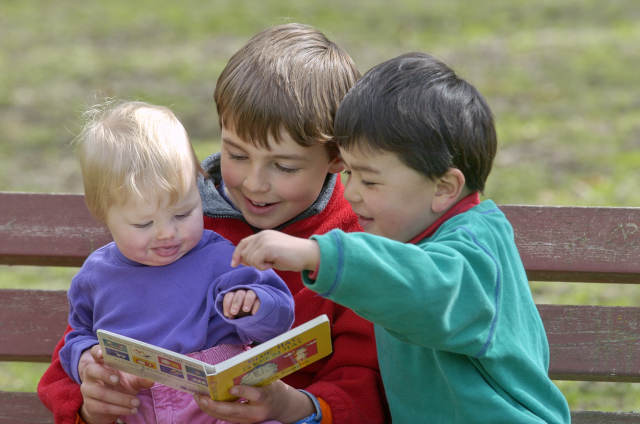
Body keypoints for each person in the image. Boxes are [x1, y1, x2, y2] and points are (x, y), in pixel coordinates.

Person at [37, 23, 389, 424]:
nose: (255, 183)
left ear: (337, 158)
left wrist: (294, 407)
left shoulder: (356, 244)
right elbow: (83, 346)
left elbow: (367, 382)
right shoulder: (176, 226)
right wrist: (90, 399)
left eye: (285, 166)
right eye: (236, 155)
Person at [230, 52, 572, 423]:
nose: (353, 194)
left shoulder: (475, 251)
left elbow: (426, 290)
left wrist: (318, 254)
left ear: (443, 187)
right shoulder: (412, 239)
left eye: (370, 180)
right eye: (349, 176)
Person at [58, 99, 294, 424]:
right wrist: (85, 360)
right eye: (144, 224)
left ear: (199, 190)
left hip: (218, 406)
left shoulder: (221, 257)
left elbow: (280, 321)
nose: (167, 233)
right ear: (102, 214)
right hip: (139, 409)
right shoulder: (96, 276)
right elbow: (79, 334)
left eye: (183, 213)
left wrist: (255, 306)